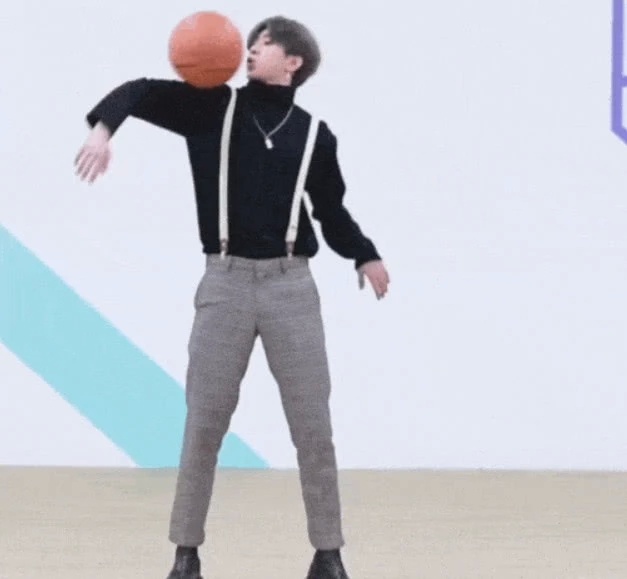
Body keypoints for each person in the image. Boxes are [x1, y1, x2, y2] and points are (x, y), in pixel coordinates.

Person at [75, 15, 390, 579]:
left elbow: (331, 211)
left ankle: (329, 555)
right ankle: (185, 554)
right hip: (224, 283)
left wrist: (364, 254)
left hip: (292, 287)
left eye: (263, 44)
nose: (250, 50)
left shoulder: (314, 135)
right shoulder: (211, 108)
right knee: (204, 424)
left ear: (293, 62)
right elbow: (139, 91)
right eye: (251, 43)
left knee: (313, 428)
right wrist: (102, 131)